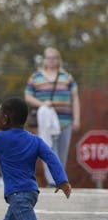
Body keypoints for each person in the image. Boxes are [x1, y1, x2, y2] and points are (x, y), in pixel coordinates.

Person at [24, 47, 80, 180]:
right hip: (46, 121)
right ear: (44, 60)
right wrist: (42, 104)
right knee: (48, 149)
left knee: (62, 152)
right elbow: (28, 96)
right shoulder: (36, 77)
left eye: (54, 58)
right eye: (48, 58)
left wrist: (77, 118)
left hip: (65, 121)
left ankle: (60, 178)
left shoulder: (66, 77)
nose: (51, 60)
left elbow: (75, 98)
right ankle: (51, 180)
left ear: (58, 60)